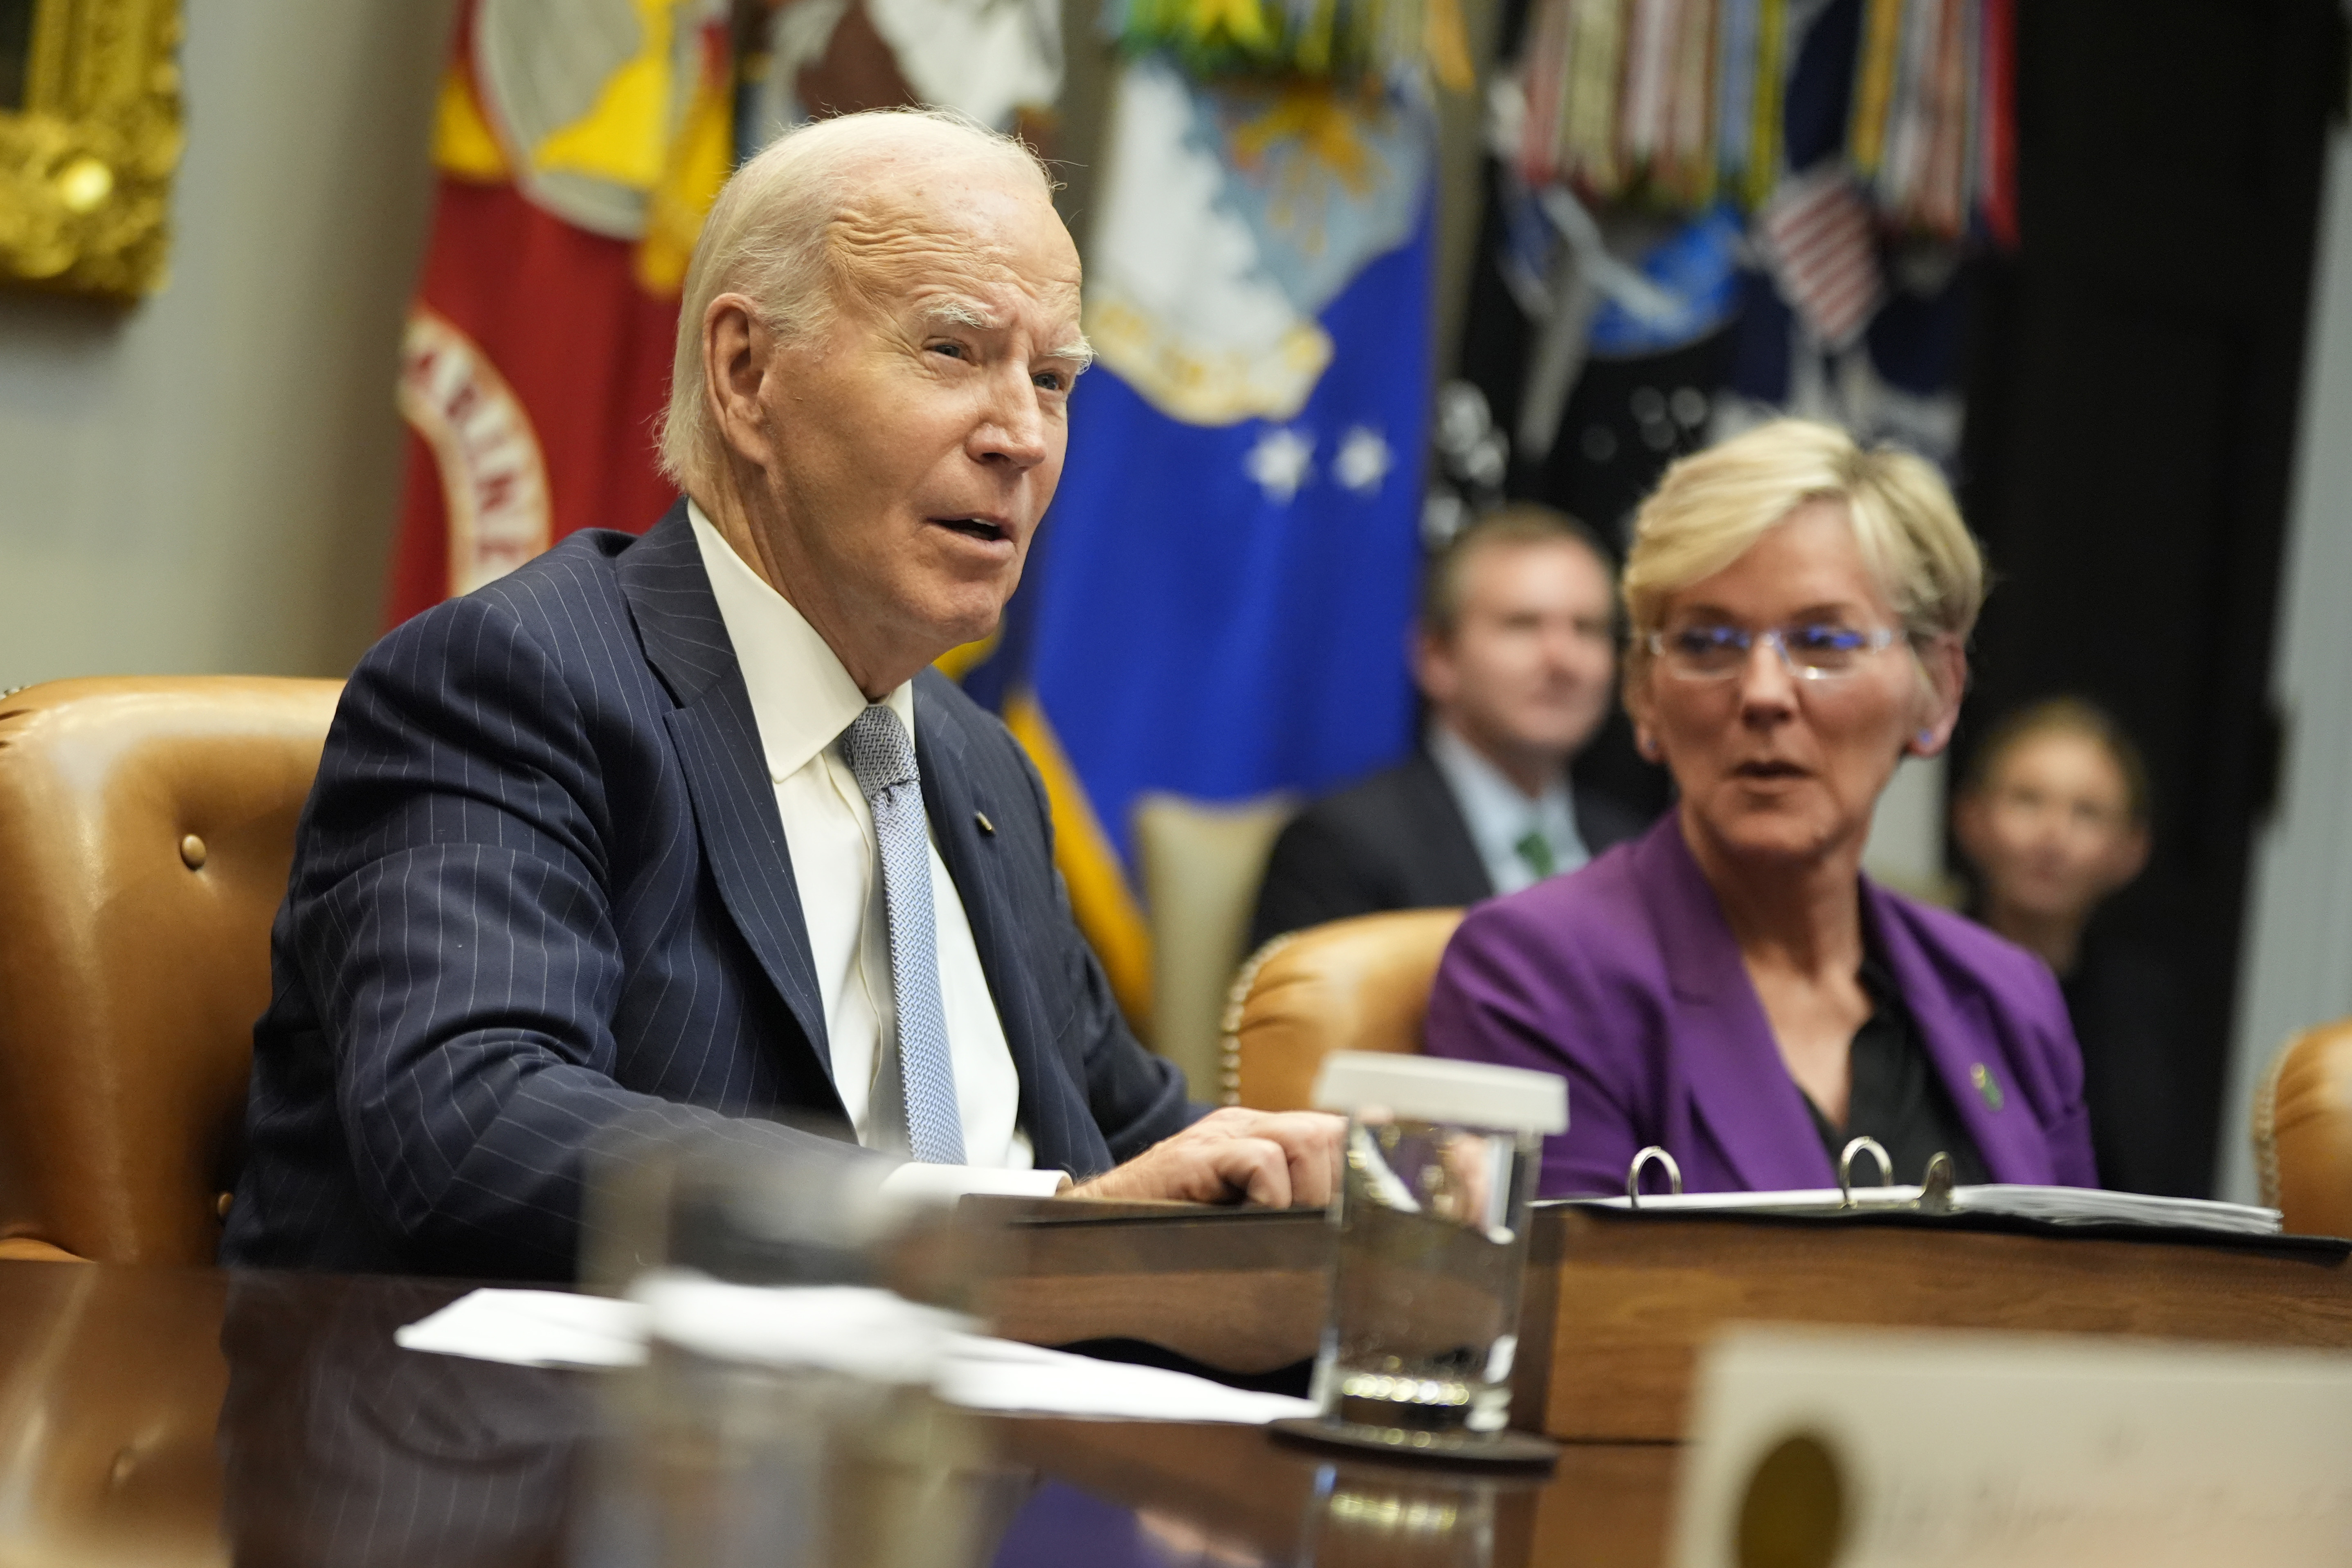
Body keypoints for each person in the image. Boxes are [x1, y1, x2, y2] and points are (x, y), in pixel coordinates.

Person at [221, 109, 1340, 1280]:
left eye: (1052, 378)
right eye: (953, 351)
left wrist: (1331, 1210)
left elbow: (1131, 1150)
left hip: (1001, 1447)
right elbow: (473, 1125)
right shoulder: (517, 686)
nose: (1021, 435)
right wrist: (997, 1236)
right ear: (747, 374)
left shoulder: (972, 765)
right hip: (572, 1445)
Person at [1423, 419, 2096, 1197]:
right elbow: (1584, 1314)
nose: (1764, 693)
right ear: (1645, 693)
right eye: (1708, 643)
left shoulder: (2009, 996)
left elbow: (2084, 1309)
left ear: (1938, 688)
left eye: (1822, 642)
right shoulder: (1536, 973)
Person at [1247, 506, 1648, 951]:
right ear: (1437, 658)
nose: (1562, 659)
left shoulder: (1636, 851)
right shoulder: (1342, 847)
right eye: (1522, 625)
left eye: (1587, 629)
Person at [1953, 699, 2182, 1194]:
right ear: (1971, 819)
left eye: (2086, 813)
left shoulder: (2143, 1007)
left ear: (2131, 849)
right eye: (2027, 801)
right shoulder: (1916, 975)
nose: (2051, 837)